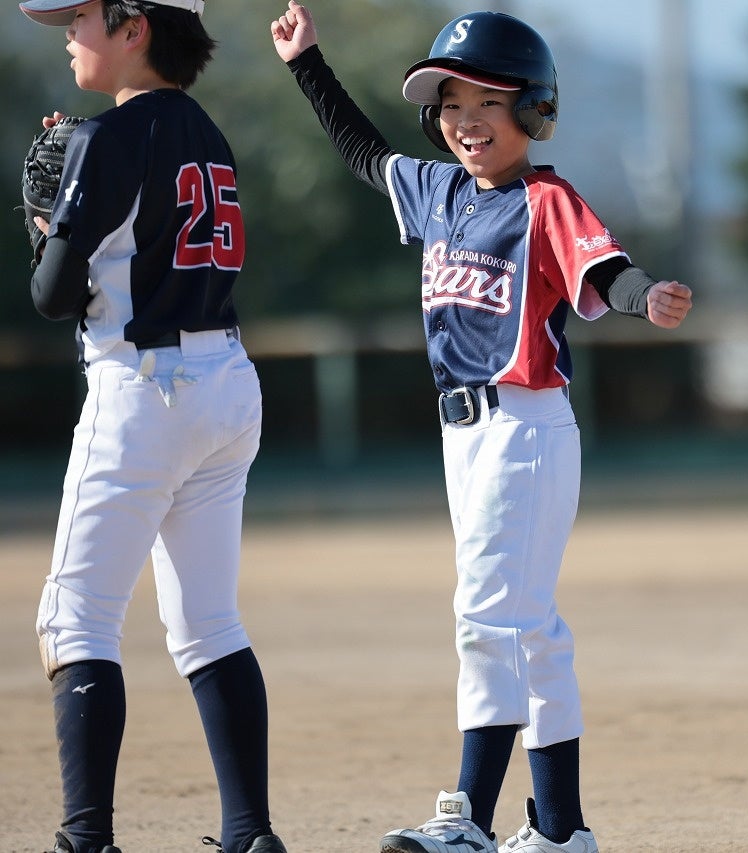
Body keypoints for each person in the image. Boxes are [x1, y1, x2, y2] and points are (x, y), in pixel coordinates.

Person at [269, 4, 693, 852]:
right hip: (464, 437)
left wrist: (646, 295)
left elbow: (606, 268)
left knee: (487, 617)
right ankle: (561, 831)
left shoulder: (546, 199)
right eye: (451, 104)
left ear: (532, 110)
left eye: (488, 103)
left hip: (523, 429)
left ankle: (468, 818)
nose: (465, 121)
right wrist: (307, 64)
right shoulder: (440, 192)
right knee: (530, 629)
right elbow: (362, 153)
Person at [18, 0, 287, 851]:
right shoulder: (210, 132)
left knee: (75, 619)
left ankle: (86, 838)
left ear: (135, 27)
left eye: (82, 17)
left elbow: (52, 295)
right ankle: (250, 834)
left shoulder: (105, 137)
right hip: (227, 383)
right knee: (209, 622)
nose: (69, 33)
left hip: (142, 388)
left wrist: (45, 224)